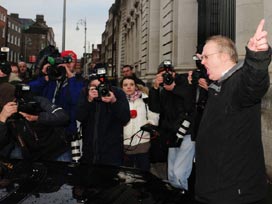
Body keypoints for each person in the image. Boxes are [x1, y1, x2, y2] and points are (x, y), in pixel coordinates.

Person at [195, 19, 271, 204]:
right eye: (200, 57)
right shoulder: (218, 85)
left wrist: (257, 57)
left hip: (234, 194)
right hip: (215, 188)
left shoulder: (238, 82)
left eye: (206, 57)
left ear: (223, 56)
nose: (201, 61)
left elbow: (253, 84)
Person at [29, 49, 84, 162]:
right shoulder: (50, 80)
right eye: (64, 61)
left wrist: (70, 77)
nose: (67, 64)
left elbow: (76, 99)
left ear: (75, 63)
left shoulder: (79, 82)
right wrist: (45, 76)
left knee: (64, 171)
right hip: (45, 134)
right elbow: (30, 91)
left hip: (65, 137)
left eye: (71, 61)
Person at [148, 60, 195, 191]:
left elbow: (190, 101)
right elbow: (155, 108)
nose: (166, 77)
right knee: (172, 174)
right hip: (171, 134)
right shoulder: (163, 90)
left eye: (168, 74)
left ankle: (184, 195)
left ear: (174, 73)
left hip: (186, 133)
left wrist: (174, 87)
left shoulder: (184, 82)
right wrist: (155, 88)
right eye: (162, 75)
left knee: (180, 173)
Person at [76, 68, 130, 166]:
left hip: (112, 154)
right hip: (90, 153)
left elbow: (125, 118)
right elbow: (80, 116)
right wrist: (89, 100)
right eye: (94, 86)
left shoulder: (117, 93)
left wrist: (114, 101)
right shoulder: (85, 93)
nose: (98, 89)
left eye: (100, 86)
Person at [120, 76, 159, 171]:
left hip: (142, 142)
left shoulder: (145, 100)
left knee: (143, 171)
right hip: (125, 143)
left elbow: (154, 113)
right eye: (125, 85)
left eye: (131, 84)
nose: (129, 87)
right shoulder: (119, 101)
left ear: (136, 87)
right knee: (127, 173)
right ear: (122, 88)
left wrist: (150, 123)